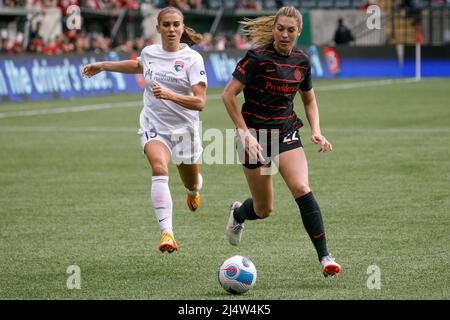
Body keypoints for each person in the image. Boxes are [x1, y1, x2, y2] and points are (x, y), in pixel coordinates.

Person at [221, 6, 341, 277]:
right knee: (264, 209)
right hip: (256, 138)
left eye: (291, 30)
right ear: (274, 28)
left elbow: (308, 99)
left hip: (286, 132)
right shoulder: (256, 58)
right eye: (280, 29)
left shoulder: (302, 61)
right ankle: (239, 214)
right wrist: (244, 132)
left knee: (301, 186)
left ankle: (325, 257)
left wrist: (317, 130)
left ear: (298, 32)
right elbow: (228, 96)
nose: (284, 34)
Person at [81, 6, 207, 254]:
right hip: (154, 126)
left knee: (191, 181)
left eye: (176, 25)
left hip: (184, 132)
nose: (171, 29)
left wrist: (169, 95)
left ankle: (194, 191)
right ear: (158, 28)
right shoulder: (150, 52)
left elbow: (200, 102)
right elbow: (138, 66)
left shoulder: (193, 59)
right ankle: (167, 233)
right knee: (159, 168)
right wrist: (103, 65)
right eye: (167, 25)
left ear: (182, 28)